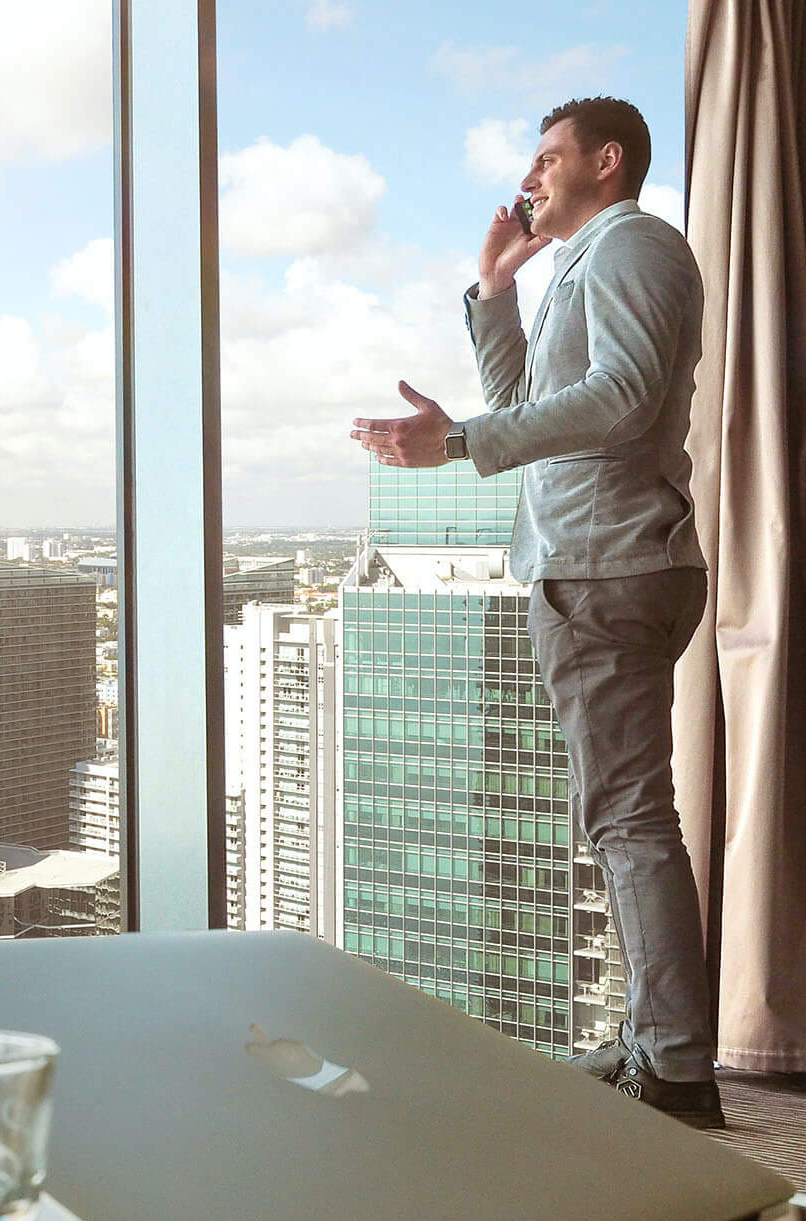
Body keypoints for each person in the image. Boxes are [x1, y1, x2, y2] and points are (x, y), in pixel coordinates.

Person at [348, 96, 720, 1128]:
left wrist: (460, 442)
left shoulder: (635, 245)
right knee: (615, 815)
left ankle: (677, 1071)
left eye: (548, 158)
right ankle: (655, 1041)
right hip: (588, 562)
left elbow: (625, 398)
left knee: (631, 819)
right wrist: (496, 287)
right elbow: (527, 409)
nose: (529, 177)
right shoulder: (576, 267)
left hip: (609, 565)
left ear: (607, 161)